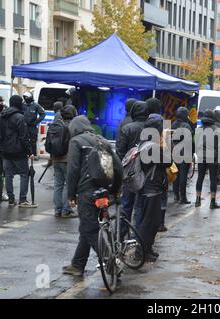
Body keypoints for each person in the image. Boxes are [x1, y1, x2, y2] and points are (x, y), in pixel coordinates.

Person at [64, 115, 122, 276]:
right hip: (103, 191)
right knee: (87, 227)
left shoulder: (76, 142)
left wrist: (71, 194)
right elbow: (118, 168)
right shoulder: (102, 141)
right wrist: (114, 191)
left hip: (86, 192)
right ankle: (77, 264)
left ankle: (111, 263)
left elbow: (73, 170)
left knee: (89, 229)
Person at [137, 114, 171, 261]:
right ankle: (141, 251)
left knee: (154, 221)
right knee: (148, 222)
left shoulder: (145, 142)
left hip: (151, 187)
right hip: (151, 188)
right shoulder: (152, 146)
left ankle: (148, 249)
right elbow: (168, 161)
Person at [115, 101, 148, 232]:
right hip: (146, 172)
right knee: (140, 206)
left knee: (126, 204)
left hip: (129, 172)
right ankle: (138, 235)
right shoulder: (151, 129)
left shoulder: (127, 128)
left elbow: (120, 152)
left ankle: (121, 233)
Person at [0, 95, 35, 207]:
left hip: (5, 150)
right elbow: (24, 136)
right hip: (18, 150)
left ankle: (11, 199)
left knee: (8, 175)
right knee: (24, 174)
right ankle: (23, 199)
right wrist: (30, 151)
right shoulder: (20, 117)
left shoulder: (2, 115)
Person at [46, 105, 78, 218]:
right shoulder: (73, 127)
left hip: (56, 159)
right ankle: (66, 210)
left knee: (58, 185)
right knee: (68, 185)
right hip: (67, 160)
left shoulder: (56, 125)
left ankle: (57, 210)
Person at [195, 109, 220, 209]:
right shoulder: (216, 129)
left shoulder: (199, 129)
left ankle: (197, 200)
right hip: (213, 157)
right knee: (213, 179)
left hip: (201, 156)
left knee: (200, 177)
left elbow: (196, 144)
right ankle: (212, 202)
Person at [172, 106, 194, 204]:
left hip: (174, 152)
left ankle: (176, 195)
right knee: (183, 175)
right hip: (184, 152)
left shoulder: (173, 124)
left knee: (176, 174)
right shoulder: (186, 126)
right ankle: (183, 197)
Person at [23, 92, 45, 156]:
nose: (26, 98)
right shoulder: (22, 105)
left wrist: (36, 122)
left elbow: (42, 114)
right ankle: (25, 153)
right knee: (24, 139)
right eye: (25, 97)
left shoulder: (36, 105)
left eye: (27, 97)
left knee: (33, 140)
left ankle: (34, 154)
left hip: (32, 126)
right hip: (24, 126)